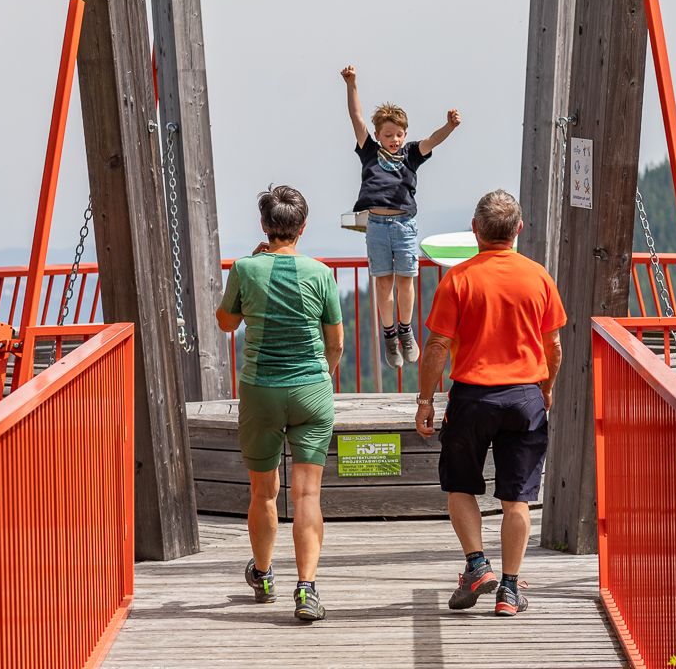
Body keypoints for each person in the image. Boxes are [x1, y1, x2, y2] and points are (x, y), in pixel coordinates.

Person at [414, 189, 565, 617]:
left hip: (472, 397)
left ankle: (477, 565)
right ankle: (511, 590)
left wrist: (426, 400)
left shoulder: (458, 278)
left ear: (475, 230)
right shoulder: (538, 277)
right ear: (518, 229)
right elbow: (554, 347)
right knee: (517, 498)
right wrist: (547, 387)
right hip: (525, 397)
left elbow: (438, 345)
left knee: (461, 486)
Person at [216, 185, 344, 623]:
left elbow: (226, 323)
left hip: (260, 390)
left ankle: (264, 575)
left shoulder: (245, 268)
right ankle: (307, 589)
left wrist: (250, 266)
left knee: (263, 492)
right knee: (308, 493)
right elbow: (337, 342)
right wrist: (321, 380)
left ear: (264, 227)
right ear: (302, 227)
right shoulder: (321, 273)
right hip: (311, 388)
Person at [340, 63, 461, 369]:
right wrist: (351, 83)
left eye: (398, 134)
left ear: (405, 134)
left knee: (406, 281)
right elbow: (356, 117)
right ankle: (389, 334)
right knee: (383, 283)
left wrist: (449, 126)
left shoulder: (410, 154)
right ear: (379, 135)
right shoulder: (369, 151)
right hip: (377, 225)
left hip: (404, 224)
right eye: (388, 134)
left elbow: (432, 140)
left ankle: (406, 331)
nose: (394, 139)